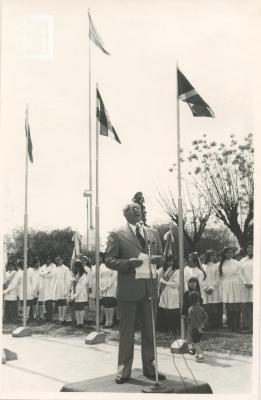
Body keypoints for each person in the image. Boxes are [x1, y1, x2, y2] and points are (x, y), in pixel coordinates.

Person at [105, 201, 165, 384]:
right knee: (126, 332)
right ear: (126, 214)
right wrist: (128, 263)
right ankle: (124, 370)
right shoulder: (117, 234)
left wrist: (157, 259)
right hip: (128, 291)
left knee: (150, 331)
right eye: (134, 210)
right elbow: (109, 260)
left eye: (139, 209)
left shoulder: (152, 232)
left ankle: (150, 366)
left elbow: (162, 257)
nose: (138, 212)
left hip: (149, 289)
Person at [219, 246, 242, 332]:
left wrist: (239, 284)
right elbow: (220, 277)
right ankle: (231, 326)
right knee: (229, 307)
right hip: (226, 286)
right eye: (228, 252)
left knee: (236, 306)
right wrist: (222, 286)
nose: (230, 254)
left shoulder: (236, 262)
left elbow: (240, 274)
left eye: (231, 252)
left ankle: (237, 326)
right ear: (224, 254)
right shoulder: (221, 264)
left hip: (236, 285)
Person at [158, 256, 180, 334]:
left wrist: (164, 282)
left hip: (173, 293)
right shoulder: (163, 270)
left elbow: (176, 284)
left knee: (173, 312)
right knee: (164, 311)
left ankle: (174, 329)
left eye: (172, 261)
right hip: (165, 292)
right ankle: (166, 329)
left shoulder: (177, 271)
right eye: (168, 261)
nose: (170, 263)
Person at [182, 277, 203, 355]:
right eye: (190, 282)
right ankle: (190, 347)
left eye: (194, 282)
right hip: (189, 316)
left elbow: (201, 305)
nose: (192, 284)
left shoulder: (198, 293)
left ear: (197, 284)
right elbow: (184, 304)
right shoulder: (186, 293)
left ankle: (196, 346)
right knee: (189, 332)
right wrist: (183, 313)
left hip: (197, 317)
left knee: (196, 332)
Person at [203, 250, 223, 329]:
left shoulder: (217, 265)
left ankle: (217, 324)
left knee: (216, 306)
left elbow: (218, 278)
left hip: (215, 289)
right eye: (212, 255)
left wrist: (212, 288)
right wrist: (205, 288)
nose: (214, 257)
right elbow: (201, 278)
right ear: (208, 256)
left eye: (214, 255)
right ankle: (209, 324)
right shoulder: (203, 266)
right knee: (207, 307)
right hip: (205, 289)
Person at [187, 291, 208, 362]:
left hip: (195, 328)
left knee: (195, 343)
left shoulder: (190, 309)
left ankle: (200, 356)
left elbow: (193, 321)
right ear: (198, 299)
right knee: (198, 342)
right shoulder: (201, 308)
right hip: (202, 327)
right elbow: (206, 317)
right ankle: (198, 354)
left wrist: (198, 327)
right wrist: (202, 324)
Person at [100, 253, 117, 328]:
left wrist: (107, 286)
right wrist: (100, 287)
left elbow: (114, 276)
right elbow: (99, 276)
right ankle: (107, 321)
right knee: (105, 304)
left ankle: (111, 321)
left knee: (111, 303)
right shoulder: (102, 266)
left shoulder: (113, 265)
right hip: (103, 286)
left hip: (111, 286)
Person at [239, 243, 253, 332]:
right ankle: (246, 325)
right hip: (244, 286)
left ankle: (254, 326)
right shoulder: (242, 260)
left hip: (255, 286)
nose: (250, 250)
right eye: (248, 248)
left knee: (254, 305)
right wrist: (244, 282)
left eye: (252, 248)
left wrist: (252, 283)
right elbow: (239, 273)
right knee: (245, 305)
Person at [52, 256, 71, 324]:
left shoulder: (66, 268)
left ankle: (63, 317)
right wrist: (54, 288)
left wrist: (66, 289)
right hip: (58, 287)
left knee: (64, 302)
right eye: (57, 260)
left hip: (63, 286)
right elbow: (54, 279)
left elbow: (68, 280)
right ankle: (60, 317)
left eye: (59, 260)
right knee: (59, 302)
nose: (58, 261)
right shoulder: (56, 269)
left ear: (62, 260)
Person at [71, 260, 89, 328]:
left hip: (81, 292)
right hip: (76, 292)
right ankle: (78, 322)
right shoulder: (76, 274)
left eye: (76, 267)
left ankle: (81, 322)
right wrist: (73, 293)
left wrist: (77, 294)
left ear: (79, 266)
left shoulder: (84, 274)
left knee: (81, 307)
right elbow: (74, 285)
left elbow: (82, 285)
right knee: (77, 308)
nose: (75, 268)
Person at [38, 256, 56, 322]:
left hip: (50, 285)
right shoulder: (43, 266)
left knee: (50, 301)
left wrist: (44, 274)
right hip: (44, 285)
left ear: (51, 260)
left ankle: (50, 316)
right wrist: (46, 273)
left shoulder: (53, 266)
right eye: (47, 259)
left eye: (49, 259)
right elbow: (39, 273)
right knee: (45, 301)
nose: (48, 260)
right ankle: (46, 316)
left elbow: (52, 275)